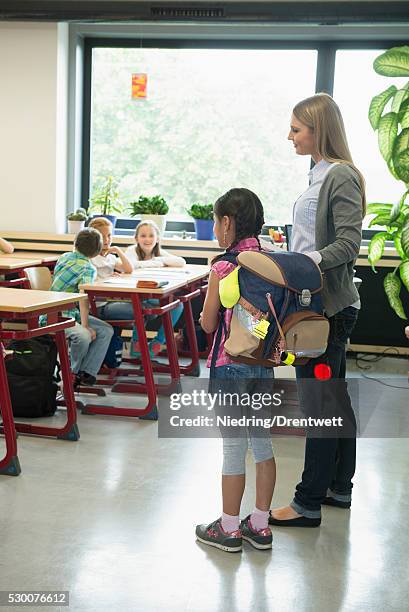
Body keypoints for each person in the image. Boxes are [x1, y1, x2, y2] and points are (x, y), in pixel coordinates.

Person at [270, 93, 366, 528]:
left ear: (318, 129)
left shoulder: (341, 176)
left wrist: (303, 262)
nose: (289, 136)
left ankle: (307, 502)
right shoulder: (318, 174)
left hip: (328, 309)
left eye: (296, 129)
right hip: (319, 304)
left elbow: (347, 245)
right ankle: (337, 488)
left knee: (320, 405)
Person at [195, 188, 276, 553]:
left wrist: (203, 313)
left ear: (227, 222)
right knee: (262, 443)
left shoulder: (225, 266)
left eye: (215, 220)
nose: (214, 228)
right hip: (262, 365)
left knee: (232, 447)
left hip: (230, 366)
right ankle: (259, 525)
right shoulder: (272, 261)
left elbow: (210, 325)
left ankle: (227, 529)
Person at [49, 228, 113, 387]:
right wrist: (85, 327)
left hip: (70, 313)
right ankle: (70, 373)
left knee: (105, 330)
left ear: (75, 243)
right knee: (84, 335)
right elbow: (84, 300)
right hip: (54, 315)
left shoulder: (65, 257)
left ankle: (85, 373)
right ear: (97, 252)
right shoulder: (88, 268)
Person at [124, 221, 185, 358]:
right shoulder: (131, 250)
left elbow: (181, 262)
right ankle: (136, 344)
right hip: (133, 295)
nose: (147, 239)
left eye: (151, 236)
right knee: (139, 306)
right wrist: (156, 262)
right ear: (136, 238)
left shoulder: (158, 253)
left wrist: (159, 260)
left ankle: (157, 343)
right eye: (143, 236)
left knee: (178, 306)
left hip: (152, 295)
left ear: (157, 238)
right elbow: (132, 265)